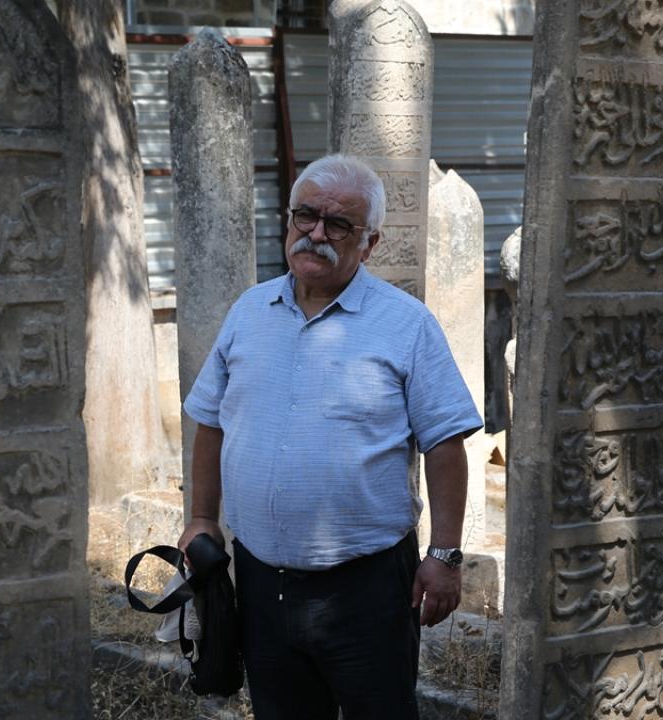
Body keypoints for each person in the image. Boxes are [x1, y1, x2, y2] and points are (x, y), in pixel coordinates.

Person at [177, 153, 482, 720]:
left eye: (338, 224)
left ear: (370, 244)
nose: (316, 234)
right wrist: (201, 517)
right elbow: (210, 420)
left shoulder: (407, 324)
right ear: (289, 219)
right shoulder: (248, 312)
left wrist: (444, 555)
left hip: (368, 588)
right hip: (261, 580)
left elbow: (444, 444)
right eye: (306, 216)